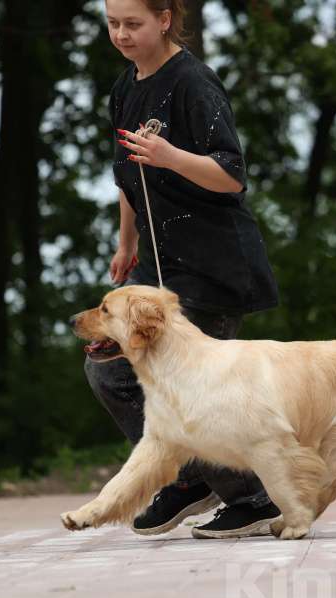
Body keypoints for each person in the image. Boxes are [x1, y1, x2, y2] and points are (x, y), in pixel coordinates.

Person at [84, 0, 281, 538]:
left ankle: (253, 498)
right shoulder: (124, 89)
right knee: (109, 370)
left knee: (172, 384)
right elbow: (131, 175)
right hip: (157, 267)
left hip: (212, 265)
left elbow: (231, 175)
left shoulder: (194, 84)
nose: (121, 35)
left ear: (166, 19)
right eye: (112, 24)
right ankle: (193, 479)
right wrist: (126, 243)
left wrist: (172, 155)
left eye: (133, 24)